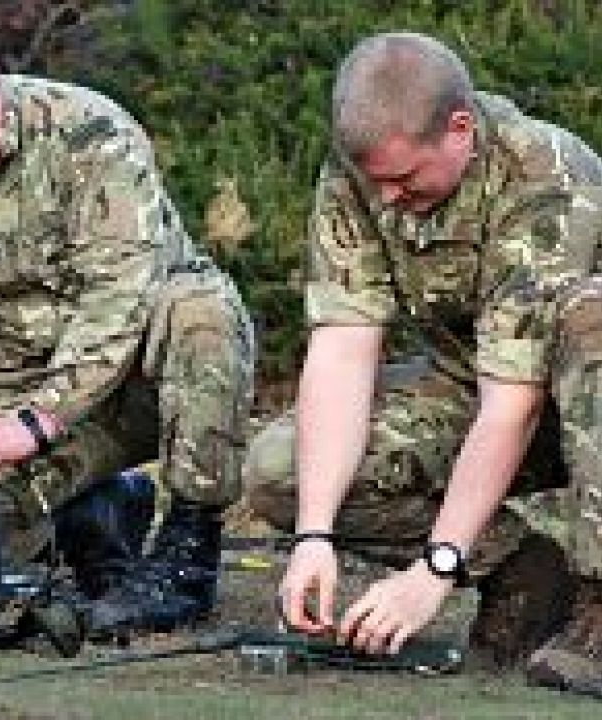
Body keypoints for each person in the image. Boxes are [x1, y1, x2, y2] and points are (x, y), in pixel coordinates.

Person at [244, 31, 602, 692]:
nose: (385, 200)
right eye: (372, 181)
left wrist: (435, 569)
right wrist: (313, 538)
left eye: (403, 180)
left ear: (459, 129)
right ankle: (521, 570)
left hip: (575, 394)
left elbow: (514, 404)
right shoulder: (364, 173)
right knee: (278, 471)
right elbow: (343, 353)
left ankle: (599, 603)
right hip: (478, 388)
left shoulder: (544, 177)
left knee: (595, 320)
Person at [0, 11, 253, 631]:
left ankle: (188, 553)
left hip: (144, 384)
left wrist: (37, 419)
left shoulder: (90, 132)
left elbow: (120, 301)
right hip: (13, 403)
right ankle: (96, 512)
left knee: (201, 311)